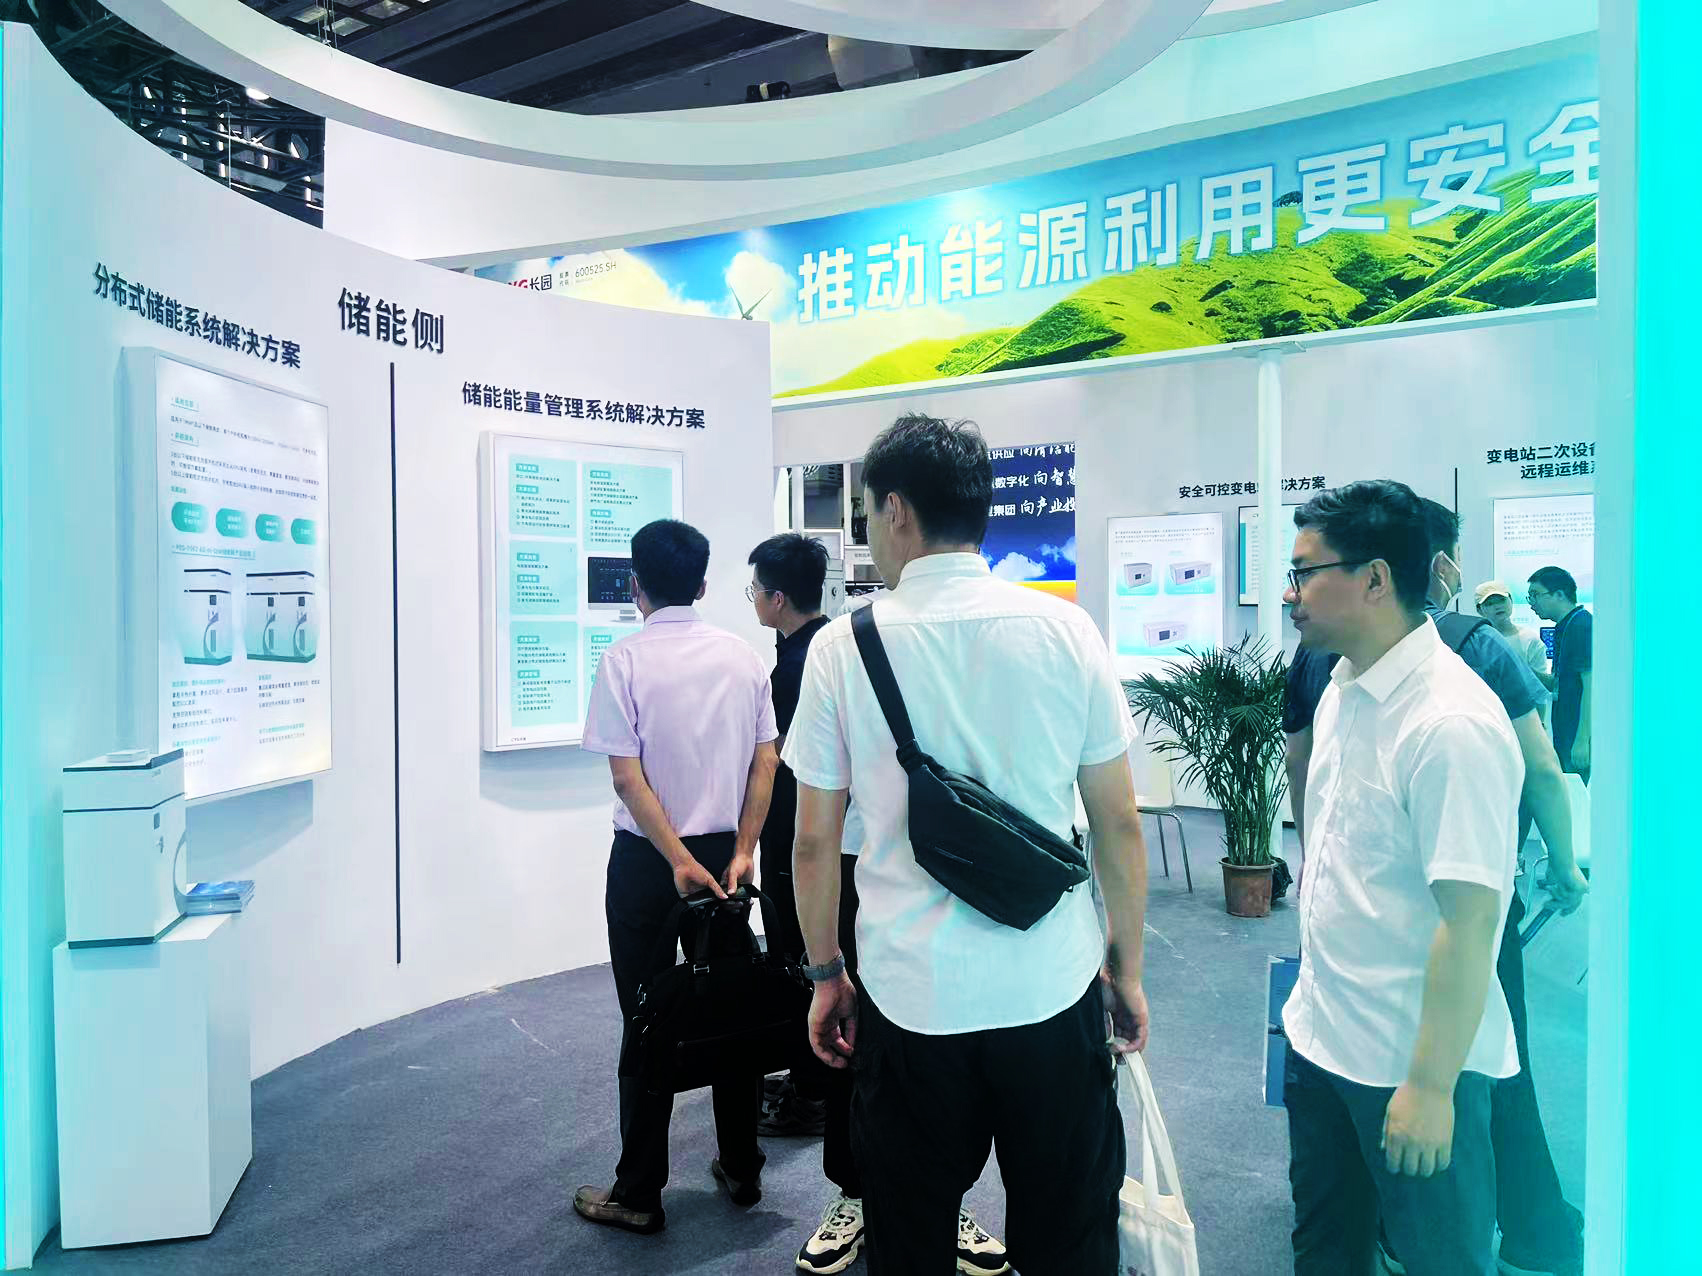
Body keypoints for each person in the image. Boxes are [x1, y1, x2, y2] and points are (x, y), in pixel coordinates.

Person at [782, 413, 1152, 1276]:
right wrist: (1125, 970)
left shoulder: (842, 649)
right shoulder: (1065, 630)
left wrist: (827, 974)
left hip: (912, 994)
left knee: (910, 1234)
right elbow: (1117, 823)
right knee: (1069, 1234)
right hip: (1050, 983)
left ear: (897, 510)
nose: (870, 529)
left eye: (869, 512)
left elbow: (813, 842)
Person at [1281, 480, 1522, 1276]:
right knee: (1326, 1250)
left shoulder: (1450, 723)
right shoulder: (1341, 690)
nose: (1289, 593)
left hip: (1408, 1063)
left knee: (1441, 1258)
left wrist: (1430, 1086)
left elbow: (1471, 921)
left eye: (1305, 572)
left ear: (1375, 580)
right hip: (1323, 1037)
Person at [573, 518, 780, 1236]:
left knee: (646, 1017)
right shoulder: (742, 657)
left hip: (648, 861)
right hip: (726, 858)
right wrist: (743, 849)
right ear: (702, 583)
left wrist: (674, 860)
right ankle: (743, 1165)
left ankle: (639, 1190)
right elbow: (766, 760)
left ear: (635, 585)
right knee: (733, 1008)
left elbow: (627, 780)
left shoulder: (624, 660)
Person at [747, 533, 835, 1141]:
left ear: (777, 598)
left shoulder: (798, 667)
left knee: (803, 957)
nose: (753, 599)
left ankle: (812, 1092)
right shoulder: (829, 648)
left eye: (754, 590)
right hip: (818, 830)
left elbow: (779, 761)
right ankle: (809, 1076)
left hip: (796, 833)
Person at [1526, 567, 1592, 782]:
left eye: (1536, 595)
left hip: (1577, 734)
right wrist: (1522, 667)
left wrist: (1583, 739)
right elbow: (1559, 684)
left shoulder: (1581, 625)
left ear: (1560, 594)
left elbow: (1591, 685)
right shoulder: (1564, 627)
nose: (1531, 603)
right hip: (1565, 732)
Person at [1475, 581, 1552, 687]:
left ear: (1511, 600)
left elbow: (1541, 686)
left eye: (1501, 600)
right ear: (1479, 610)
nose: (1497, 606)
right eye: (1490, 604)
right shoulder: (1475, 641)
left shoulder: (1530, 639)